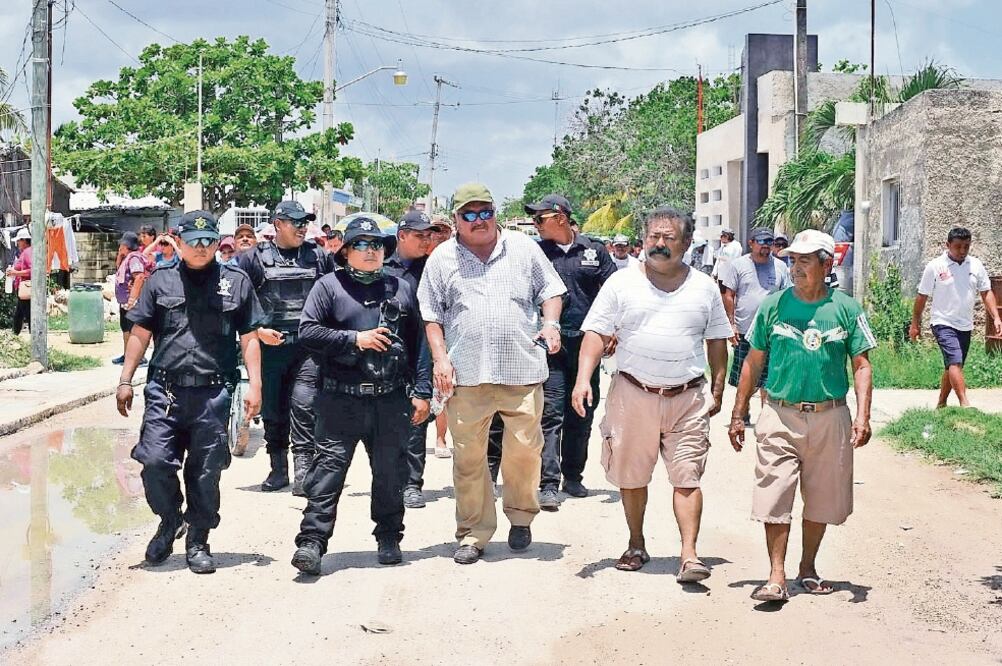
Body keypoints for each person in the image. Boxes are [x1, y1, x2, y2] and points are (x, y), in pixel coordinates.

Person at [573, 206, 730, 582]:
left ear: (687, 243)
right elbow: (595, 333)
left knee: (687, 477)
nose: (659, 244)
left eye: (668, 238)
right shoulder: (621, 283)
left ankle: (689, 555)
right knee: (632, 476)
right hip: (633, 394)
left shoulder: (704, 287)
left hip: (687, 397)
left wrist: (719, 389)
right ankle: (636, 542)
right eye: (653, 237)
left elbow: (717, 341)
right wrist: (583, 379)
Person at [418, 182, 566, 565]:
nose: (479, 220)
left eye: (486, 211)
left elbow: (551, 289)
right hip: (466, 374)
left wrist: (550, 323)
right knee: (468, 459)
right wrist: (440, 360)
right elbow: (431, 315)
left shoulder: (523, 248)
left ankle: (520, 516)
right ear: (456, 220)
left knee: (524, 452)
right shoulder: (441, 259)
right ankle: (473, 532)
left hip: (521, 369)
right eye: (470, 214)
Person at [728, 229, 876, 602]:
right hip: (780, 413)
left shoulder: (846, 308)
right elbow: (754, 359)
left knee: (822, 498)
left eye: (805, 260)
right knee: (774, 493)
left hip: (830, 416)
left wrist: (863, 416)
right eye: (793, 260)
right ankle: (776, 575)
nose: (795, 267)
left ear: (826, 264)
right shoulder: (774, 305)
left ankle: (807, 567)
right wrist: (738, 411)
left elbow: (861, 365)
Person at [116, 210, 264, 574]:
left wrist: (256, 385)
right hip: (164, 391)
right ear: (178, 242)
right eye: (193, 241)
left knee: (205, 471)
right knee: (153, 462)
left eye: (208, 240)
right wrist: (125, 379)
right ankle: (170, 520)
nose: (201, 247)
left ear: (216, 242)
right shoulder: (160, 280)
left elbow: (249, 336)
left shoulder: (236, 281)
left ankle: (198, 538)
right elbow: (140, 332)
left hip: (213, 395)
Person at [290, 216, 431, 574]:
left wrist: (422, 392)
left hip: (390, 399)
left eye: (377, 245)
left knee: (389, 474)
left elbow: (421, 346)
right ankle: (311, 543)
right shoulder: (328, 287)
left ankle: (388, 537)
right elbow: (307, 332)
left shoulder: (401, 287)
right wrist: (354, 340)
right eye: (362, 245)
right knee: (327, 474)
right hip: (341, 399)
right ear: (347, 251)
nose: (371, 252)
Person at [526, 193, 617, 509]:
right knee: (550, 413)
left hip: (587, 346)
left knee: (582, 410)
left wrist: (613, 330)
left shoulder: (594, 250)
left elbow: (612, 293)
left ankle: (573, 476)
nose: (536, 225)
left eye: (540, 219)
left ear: (560, 218)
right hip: (551, 345)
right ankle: (547, 483)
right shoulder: (537, 253)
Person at [237, 200, 332, 494]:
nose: (303, 228)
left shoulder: (319, 256)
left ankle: (304, 472)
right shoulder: (252, 259)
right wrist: (257, 330)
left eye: (305, 223)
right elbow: (239, 304)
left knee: (304, 406)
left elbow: (332, 297)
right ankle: (278, 470)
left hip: (308, 349)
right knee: (274, 413)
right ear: (278, 224)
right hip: (270, 349)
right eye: (296, 223)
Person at [384, 210, 446, 510]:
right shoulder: (383, 266)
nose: (426, 241)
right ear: (402, 236)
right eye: (420, 235)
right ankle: (389, 480)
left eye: (429, 235)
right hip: (386, 353)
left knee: (417, 419)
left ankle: (412, 483)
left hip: (421, 350)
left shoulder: (432, 268)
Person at [910, 226, 1001, 408]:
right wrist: (915, 323)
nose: (962, 251)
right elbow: (922, 297)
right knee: (955, 360)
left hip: (965, 325)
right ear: (948, 245)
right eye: (958, 246)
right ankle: (965, 404)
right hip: (942, 322)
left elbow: (986, 293)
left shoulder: (975, 265)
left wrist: (996, 317)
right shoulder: (935, 266)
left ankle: (941, 404)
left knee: (952, 365)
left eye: (966, 246)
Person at [720, 227, 792, 424]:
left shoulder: (780, 267)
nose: (766, 247)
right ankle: (742, 411)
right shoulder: (738, 265)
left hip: (772, 332)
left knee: (768, 378)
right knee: (746, 373)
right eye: (761, 242)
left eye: (769, 243)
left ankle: (766, 417)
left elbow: (787, 296)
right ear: (751, 243)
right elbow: (729, 295)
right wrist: (731, 324)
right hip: (745, 330)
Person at [112, 232, 151, 366]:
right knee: (126, 328)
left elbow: (139, 277)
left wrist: (133, 299)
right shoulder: (126, 258)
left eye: (121, 245)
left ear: (126, 245)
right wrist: (119, 256)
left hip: (132, 302)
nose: (119, 247)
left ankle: (138, 357)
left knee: (133, 329)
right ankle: (127, 355)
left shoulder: (134, 259)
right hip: (125, 302)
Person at [6, 228, 32, 335]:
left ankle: (34, 337)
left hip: (25, 289)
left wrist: (15, 273)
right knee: (19, 314)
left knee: (28, 315)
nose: (17, 243)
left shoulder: (28, 252)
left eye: (18, 241)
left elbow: (33, 271)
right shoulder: (26, 252)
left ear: (24, 240)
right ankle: (15, 335)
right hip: (22, 289)